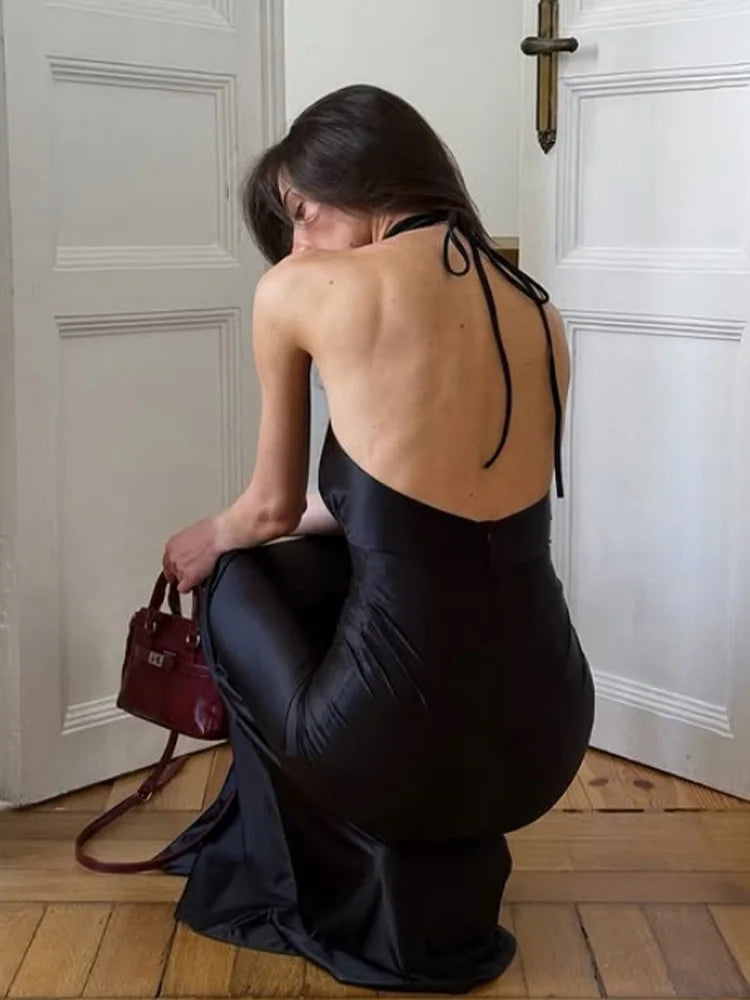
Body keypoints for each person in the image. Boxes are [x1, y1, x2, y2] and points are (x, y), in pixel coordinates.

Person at [160, 84, 595, 994]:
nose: (297, 245)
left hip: (392, 745)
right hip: (547, 736)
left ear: (357, 176)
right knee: (340, 565)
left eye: (302, 214)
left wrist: (206, 538)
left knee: (240, 576)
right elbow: (421, 508)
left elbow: (269, 511)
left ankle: (307, 871)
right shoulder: (538, 309)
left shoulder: (303, 290)